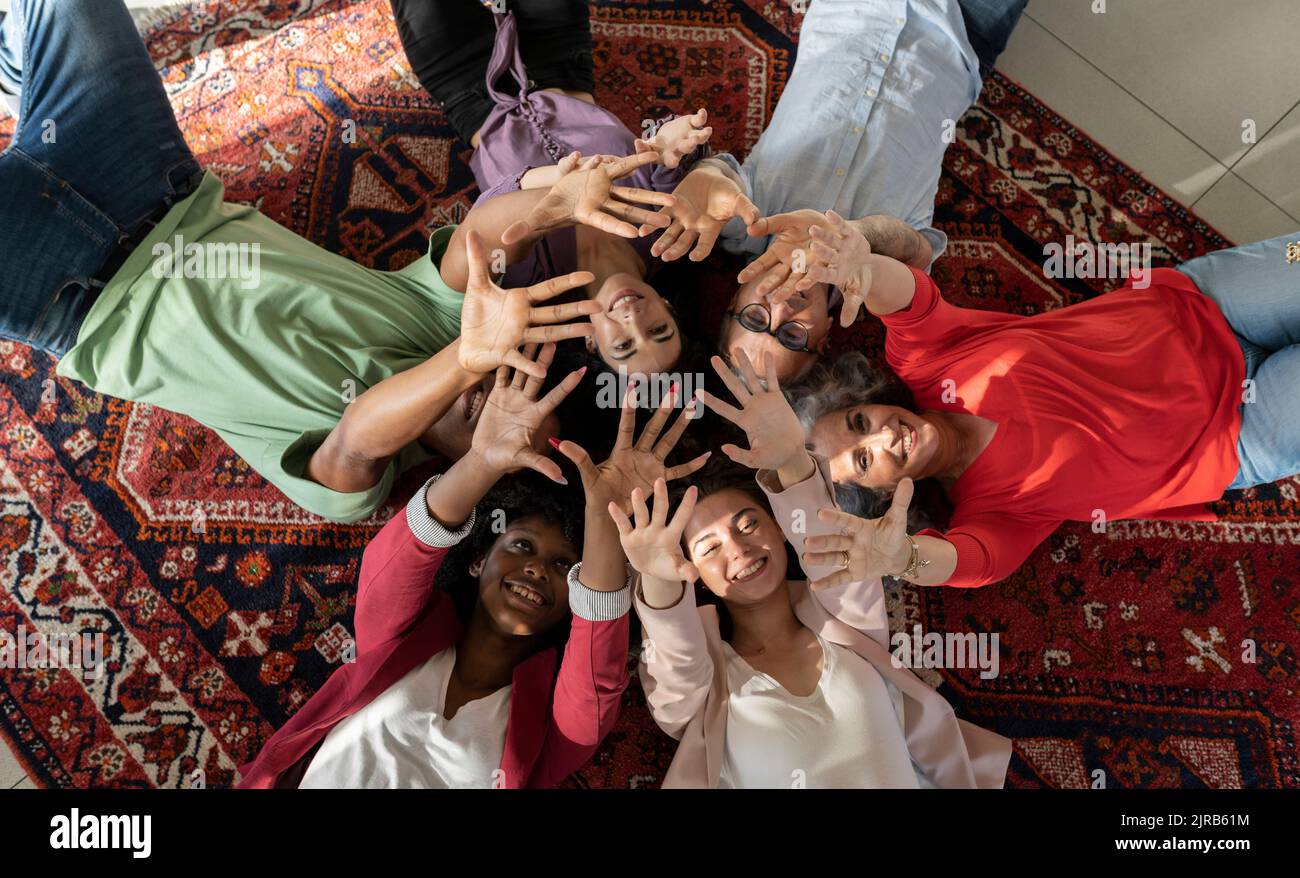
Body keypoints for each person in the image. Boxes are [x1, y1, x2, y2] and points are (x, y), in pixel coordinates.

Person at [0, 0, 681, 522]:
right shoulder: (447, 325)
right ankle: (19, 71)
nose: (503, 404)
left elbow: (355, 435)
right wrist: (556, 203)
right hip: (155, 180)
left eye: (512, 434)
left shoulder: (359, 484)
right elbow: (483, 236)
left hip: (69, 293)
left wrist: (469, 361)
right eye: (527, 395)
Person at [239, 348, 709, 787]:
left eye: (562, 564)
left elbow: (596, 678)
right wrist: (482, 461)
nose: (535, 569)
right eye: (520, 545)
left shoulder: (551, 730)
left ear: (575, 597)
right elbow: (403, 556)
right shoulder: (397, 645)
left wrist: (603, 515)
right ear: (478, 559)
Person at [784, 220, 1300, 588]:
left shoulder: (926, 363)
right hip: (1239, 432)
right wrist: (905, 559)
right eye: (864, 459)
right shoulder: (993, 513)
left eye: (858, 422)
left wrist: (863, 270)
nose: (882, 435)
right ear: (881, 497)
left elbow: (907, 301)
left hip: (1205, 303)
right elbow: (972, 561)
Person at [615, 350, 1010, 787]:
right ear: (695, 575)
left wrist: (790, 459)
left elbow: (831, 557)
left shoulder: (849, 625)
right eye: (709, 549)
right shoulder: (704, 692)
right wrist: (654, 576)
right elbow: (676, 668)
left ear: (782, 530)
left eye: (748, 525)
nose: (739, 549)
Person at [641, 0, 1026, 383]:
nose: (780, 308)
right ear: (824, 336)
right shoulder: (880, 284)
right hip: (961, 36)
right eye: (792, 336)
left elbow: (722, 184)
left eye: (755, 318)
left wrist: (707, 169)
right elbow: (918, 248)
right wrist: (854, 239)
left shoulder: (746, 226)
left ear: (734, 302)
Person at [392, 0, 761, 376]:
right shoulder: (664, 230)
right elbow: (671, 158)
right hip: (561, 58)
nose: (633, 318)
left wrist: (559, 187)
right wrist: (678, 141)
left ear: (591, 341)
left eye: (623, 344)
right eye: (658, 330)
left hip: (467, 91)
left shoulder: (533, 282)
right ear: (670, 307)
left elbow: (486, 214)